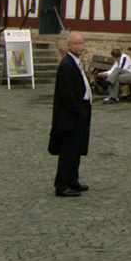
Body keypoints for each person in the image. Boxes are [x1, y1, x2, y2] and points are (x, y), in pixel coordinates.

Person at [49, 31, 92, 197]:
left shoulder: (76, 63)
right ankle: (62, 184)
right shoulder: (67, 65)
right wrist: (78, 111)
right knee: (68, 151)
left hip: (81, 112)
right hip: (70, 115)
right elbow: (66, 94)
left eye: (82, 43)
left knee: (76, 150)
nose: (81, 47)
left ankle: (73, 180)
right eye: (77, 44)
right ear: (69, 45)